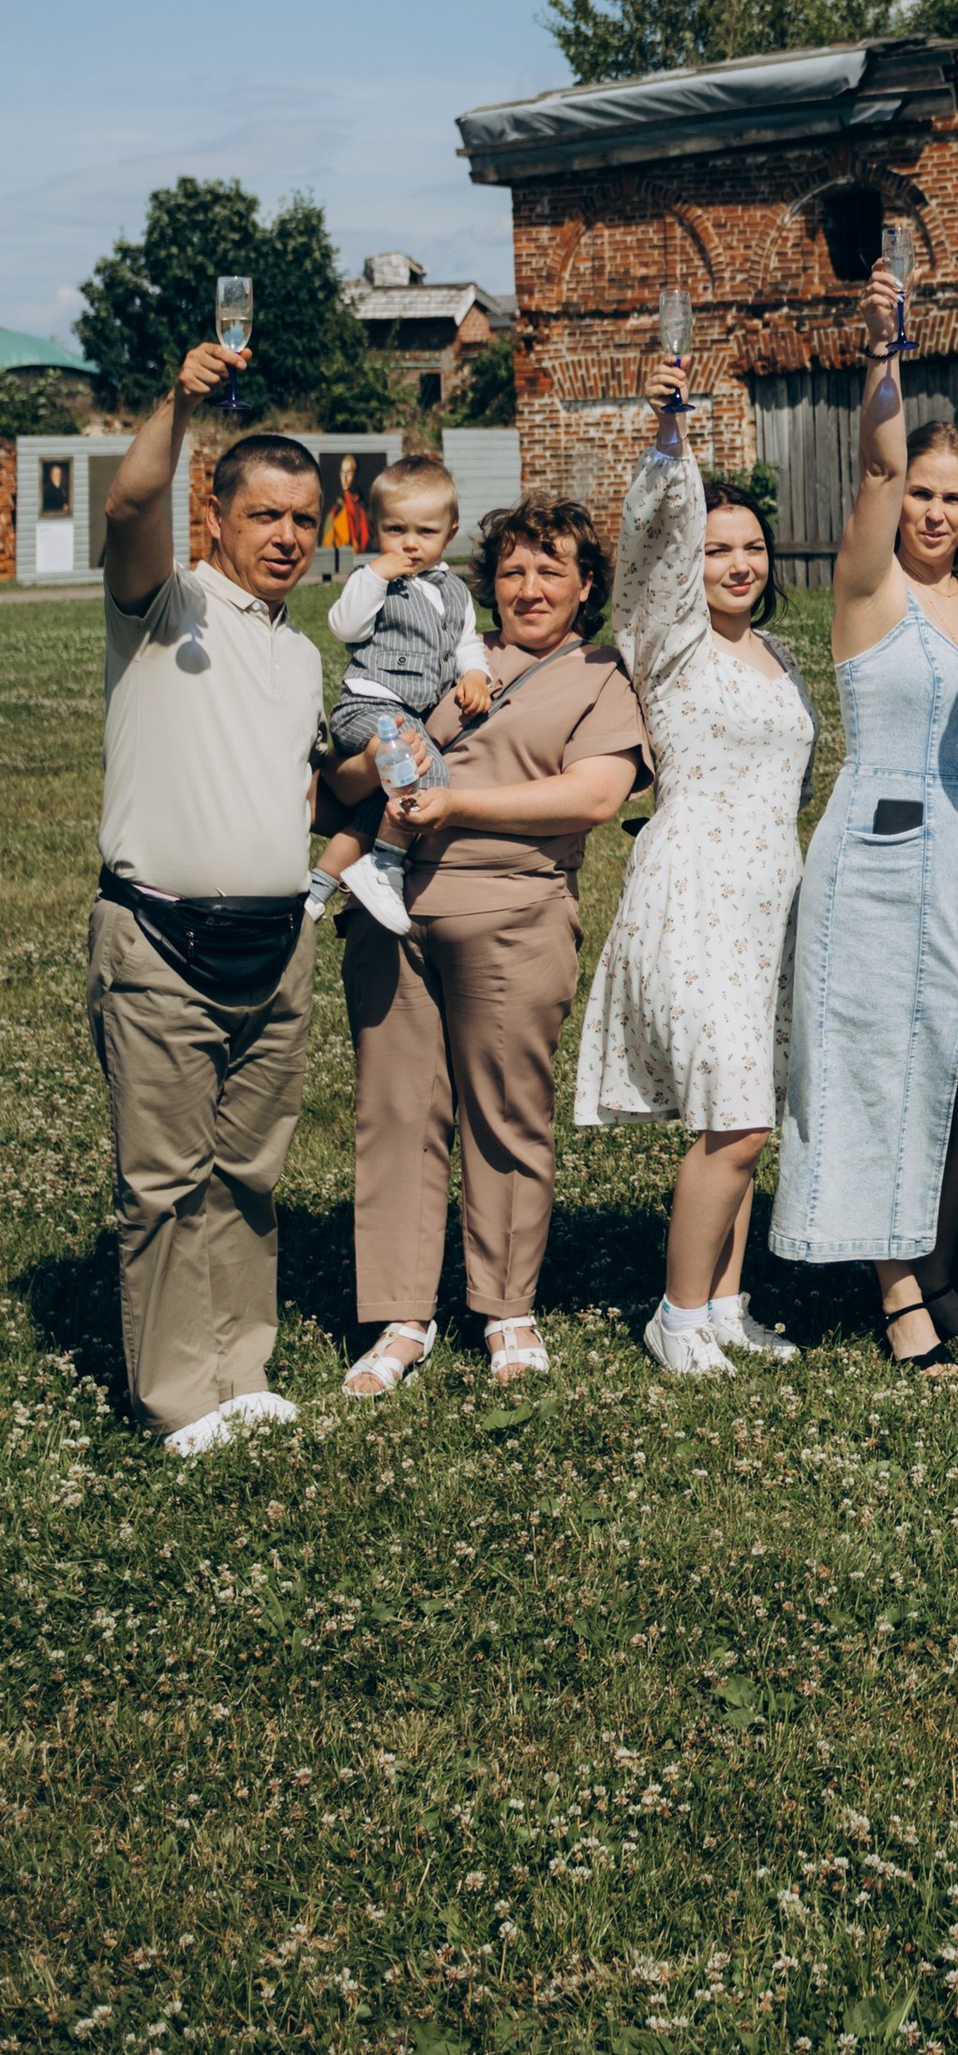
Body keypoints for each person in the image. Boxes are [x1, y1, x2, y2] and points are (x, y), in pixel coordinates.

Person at [332, 495, 648, 1395]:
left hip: (512, 912)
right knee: (395, 1115)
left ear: (587, 586)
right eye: (512, 570)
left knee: (506, 1115)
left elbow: (593, 796)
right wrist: (369, 765)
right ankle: (401, 1316)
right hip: (391, 910)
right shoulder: (440, 658)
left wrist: (457, 804)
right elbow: (345, 775)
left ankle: (507, 1307)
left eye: (551, 569)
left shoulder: (599, 675)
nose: (529, 587)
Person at [91, 358, 325, 1455]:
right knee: (164, 1185)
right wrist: (182, 408)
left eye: (305, 519)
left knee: (247, 1174)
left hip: (275, 950)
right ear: (216, 518)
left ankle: (242, 1371)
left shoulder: (304, 653)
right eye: (264, 515)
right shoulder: (163, 602)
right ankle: (179, 1399)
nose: (286, 535)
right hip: (160, 942)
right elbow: (129, 501)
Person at [773, 260, 958, 1373]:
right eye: (920, 492)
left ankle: (942, 1257)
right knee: (876, 1062)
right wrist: (884, 358)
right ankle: (895, 1284)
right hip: (876, 852)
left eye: (953, 497)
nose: (931, 511)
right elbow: (870, 457)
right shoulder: (869, 589)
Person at [576, 361, 817, 1378]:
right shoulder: (666, 640)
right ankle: (674, 1316)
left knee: (747, 1110)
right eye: (717, 549)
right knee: (735, 1114)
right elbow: (646, 544)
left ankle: (726, 1305)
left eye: (752, 547)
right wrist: (670, 437)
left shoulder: (776, 655)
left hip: (773, 899)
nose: (738, 563)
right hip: (695, 890)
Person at [305, 455, 493, 932]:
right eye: (395, 529)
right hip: (368, 706)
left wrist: (474, 675)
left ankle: (317, 889)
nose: (409, 543)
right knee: (431, 773)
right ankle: (383, 868)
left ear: (449, 534)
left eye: (425, 533)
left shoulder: (454, 590)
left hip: (406, 712)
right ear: (375, 528)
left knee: (377, 806)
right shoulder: (375, 580)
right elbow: (343, 626)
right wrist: (375, 575)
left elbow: (466, 641)